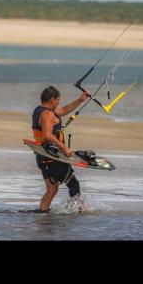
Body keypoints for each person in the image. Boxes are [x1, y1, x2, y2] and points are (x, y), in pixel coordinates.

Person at [31, 85, 91, 213]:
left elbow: (64, 110)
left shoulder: (40, 110)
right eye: (58, 100)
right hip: (52, 157)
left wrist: (81, 100)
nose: (59, 102)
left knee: (52, 189)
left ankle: (42, 215)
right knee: (73, 183)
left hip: (43, 156)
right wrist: (65, 148)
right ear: (52, 99)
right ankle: (78, 211)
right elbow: (47, 135)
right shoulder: (47, 114)